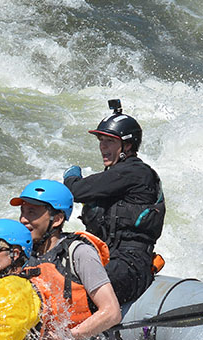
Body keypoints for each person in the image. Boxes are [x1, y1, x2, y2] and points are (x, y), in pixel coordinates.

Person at [63, 99, 165, 304]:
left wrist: (70, 178)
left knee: (78, 297)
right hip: (106, 257)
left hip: (131, 264)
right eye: (101, 141)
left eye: (109, 141)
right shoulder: (114, 178)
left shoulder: (135, 172)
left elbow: (76, 190)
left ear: (127, 145)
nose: (103, 147)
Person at [13, 179, 121, 340]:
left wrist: (66, 337)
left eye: (32, 212)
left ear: (56, 219)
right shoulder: (22, 257)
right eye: (23, 212)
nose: (23, 220)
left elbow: (112, 312)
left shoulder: (79, 253)